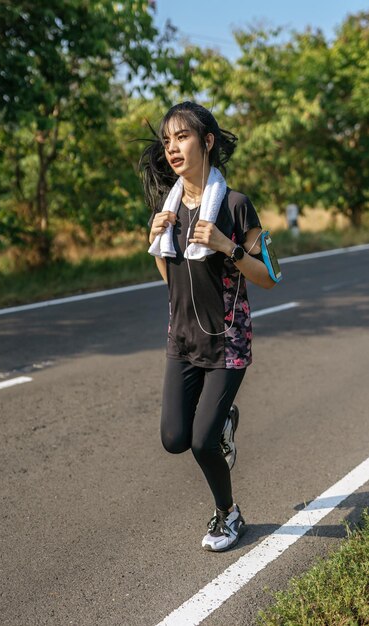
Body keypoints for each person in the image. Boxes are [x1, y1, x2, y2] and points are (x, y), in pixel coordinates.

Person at [139, 101, 277, 552]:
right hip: (181, 340)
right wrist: (157, 243)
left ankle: (228, 514)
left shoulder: (235, 206)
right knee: (174, 439)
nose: (172, 148)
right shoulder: (169, 208)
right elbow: (172, 280)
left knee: (200, 444)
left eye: (182, 137)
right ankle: (223, 425)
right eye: (167, 141)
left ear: (208, 142)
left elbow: (270, 276)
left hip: (227, 344)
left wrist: (226, 246)